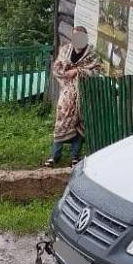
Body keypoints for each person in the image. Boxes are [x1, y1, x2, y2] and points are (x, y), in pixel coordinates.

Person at [45, 26, 101, 167]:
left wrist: (77, 71)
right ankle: (54, 156)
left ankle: (75, 157)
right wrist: (66, 72)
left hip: (84, 94)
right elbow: (57, 68)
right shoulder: (65, 51)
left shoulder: (92, 55)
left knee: (79, 125)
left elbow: (96, 72)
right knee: (61, 123)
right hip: (67, 94)